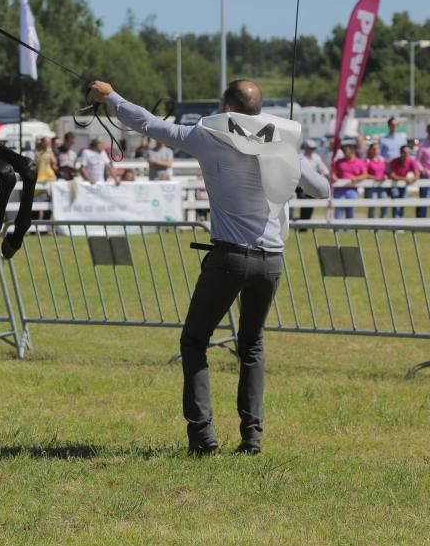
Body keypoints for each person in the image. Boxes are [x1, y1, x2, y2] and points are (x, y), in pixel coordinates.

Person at [88, 78, 329, 456]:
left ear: (228, 110)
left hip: (229, 258)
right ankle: (252, 438)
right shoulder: (278, 144)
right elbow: (323, 189)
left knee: (195, 341)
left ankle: (203, 436)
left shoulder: (208, 136)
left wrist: (111, 98)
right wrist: (289, 156)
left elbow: (151, 124)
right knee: (251, 347)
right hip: (271, 261)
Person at [331, 141, 367, 219]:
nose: (344, 152)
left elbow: (365, 174)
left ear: (352, 150)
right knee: (338, 211)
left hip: (352, 190)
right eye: (343, 151)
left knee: (350, 210)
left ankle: (348, 230)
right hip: (339, 190)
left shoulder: (360, 162)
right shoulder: (338, 162)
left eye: (346, 150)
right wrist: (333, 176)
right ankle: (337, 229)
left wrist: (357, 178)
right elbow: (333, 173)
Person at [297, 139, 328, 220]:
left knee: (311, 204)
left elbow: (323, 168)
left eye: (313, 148)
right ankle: (303, 225)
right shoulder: (300, 156)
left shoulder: (316, 157)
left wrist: (326, 174)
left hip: (313, 184)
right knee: (304, 203)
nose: (312, 150)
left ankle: (307, 222)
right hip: (302, 184)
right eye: (311, 148)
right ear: (306, 148)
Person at [387, 145, 420, 218]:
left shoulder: (411, 161)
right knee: (396, 203)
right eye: (405, 152)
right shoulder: (394, 161)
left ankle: (400, 222)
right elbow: (392, 175)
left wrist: (412, 179)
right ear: (400, 153)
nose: (406, 154)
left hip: (403, 185)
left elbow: (417, 174)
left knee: (403, 203)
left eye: (408, 152)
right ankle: (396, 223)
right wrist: (405, 179)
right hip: (394, 184)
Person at [363, 142, 388, 218]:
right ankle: (371, 224)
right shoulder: (367, 161)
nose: (376, 151)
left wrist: (385, 176)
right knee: (372, 205)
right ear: (370, 150)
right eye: (374, 149)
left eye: (377, 149)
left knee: (385, 204)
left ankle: (382, 222)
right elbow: (365, 174)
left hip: (382, 186)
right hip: (371, 186)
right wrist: (375, 178)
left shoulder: (382, 160)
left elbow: (385, 172)